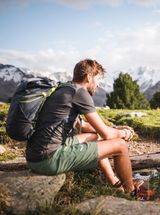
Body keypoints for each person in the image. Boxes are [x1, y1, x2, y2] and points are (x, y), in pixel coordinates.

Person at [26, 59, 143, 196]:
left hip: (35, 155)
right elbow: (107, 135)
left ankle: (115, 183)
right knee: (120, 145)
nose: (98, 84)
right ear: (88, 77)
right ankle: (131, 192)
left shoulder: (65, 88)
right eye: (98, 79)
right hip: (49, 159)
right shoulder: (80, 93)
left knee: (93, 137)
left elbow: (84, 126)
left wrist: (115, 130)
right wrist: (124, 133)